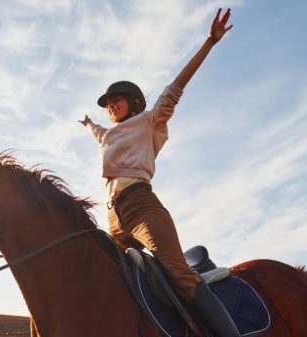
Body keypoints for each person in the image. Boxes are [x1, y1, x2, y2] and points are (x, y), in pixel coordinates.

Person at [78, 8, 238, 337]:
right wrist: (88, 124)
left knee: (178, 274)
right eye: (107, 103)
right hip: (113, 218)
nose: (110, 106)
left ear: (135, 101)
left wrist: (209, 42)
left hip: (142, 208)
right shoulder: (109, 135)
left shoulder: (150, 120)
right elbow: (100, 135)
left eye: (116, 100)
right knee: (108, 280)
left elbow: (175, 88)